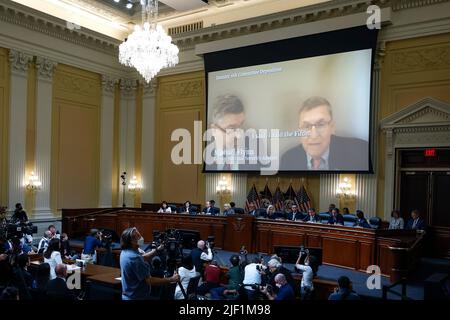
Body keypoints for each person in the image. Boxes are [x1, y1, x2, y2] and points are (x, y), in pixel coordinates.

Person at [280, 96, 368, 171]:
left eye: (321, 125)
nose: (314, 135)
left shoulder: (359, 151)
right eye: (306, 126)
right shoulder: (288, 159)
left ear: (332, 127)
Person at [120, 227, 179, 300]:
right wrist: (171, 279)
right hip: (136, 297)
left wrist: (157, 250)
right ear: (131, 241)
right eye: (138, 236)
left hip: (129, 295)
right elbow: (149, 280)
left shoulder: (126, 251)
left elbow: (142, 258)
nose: (141, 237)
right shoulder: (134, 258)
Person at [205, 94, 261, 171]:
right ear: (214, 130)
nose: (239, 136)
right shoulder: (200, 154)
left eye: (241, 126)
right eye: (231, 129)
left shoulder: (256, 147)